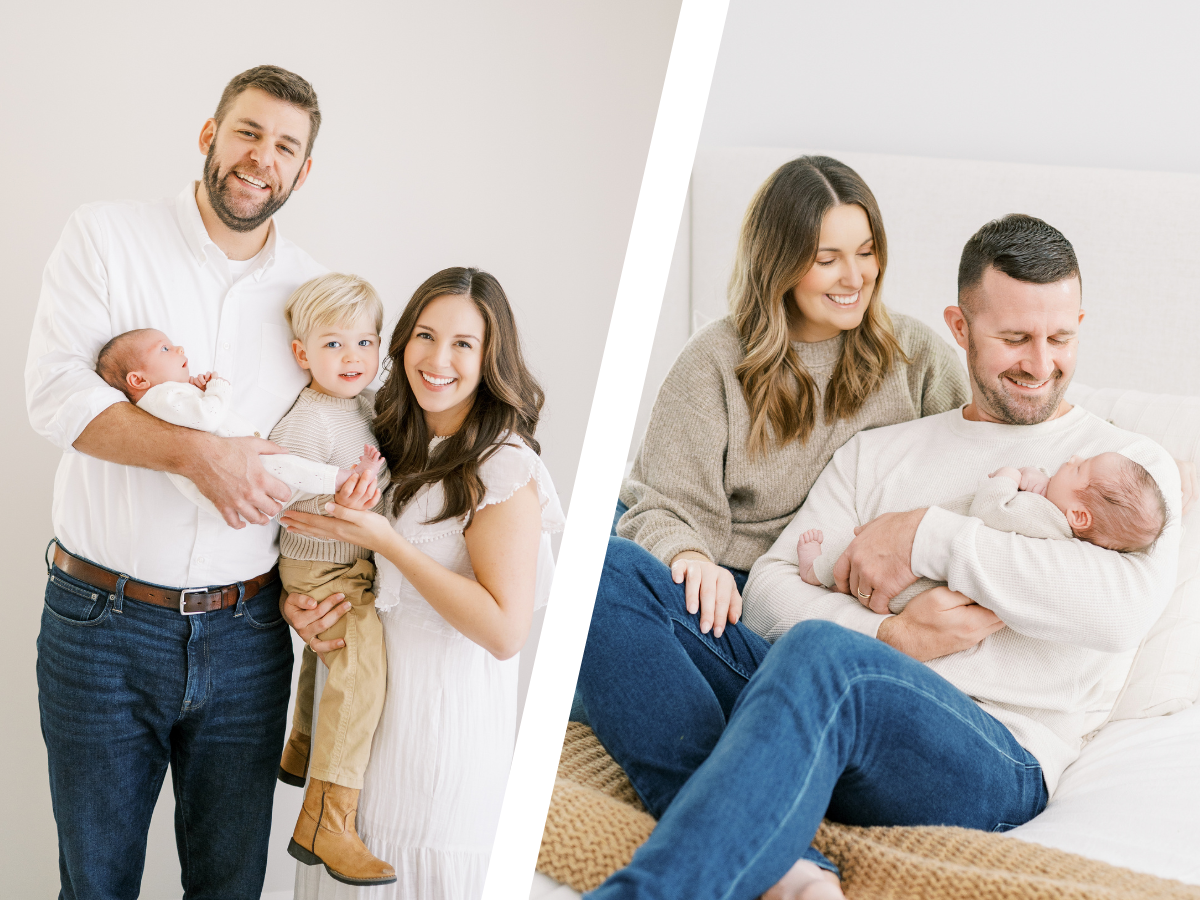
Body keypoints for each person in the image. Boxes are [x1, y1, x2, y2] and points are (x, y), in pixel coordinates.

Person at [585, 214, 1183, 900]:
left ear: (1081, 322)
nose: (1040, 364)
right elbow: (769, 592)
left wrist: (923, 534)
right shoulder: (884, 451)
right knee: (606, 570)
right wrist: (889, 635)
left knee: (824, 656)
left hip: (991, 751)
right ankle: (779, 859)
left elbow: (1118, 612)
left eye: (1061, 337)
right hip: (823, 689)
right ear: (959, 328)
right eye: (1014, 338)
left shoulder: (1127, 467)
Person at [574, 155, 969, 824]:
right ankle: (724, 813)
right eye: (828, 259)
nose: (855, 278)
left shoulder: (917, 356)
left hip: (837, 621)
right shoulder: (714, 360)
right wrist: (689, 558)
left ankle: (725, 805)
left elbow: (976, 468)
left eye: (867, 252)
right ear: (780, 262)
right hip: (725, 609)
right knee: (602, 563)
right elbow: (665, 503)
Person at [26, 65, 327, 899]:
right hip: (102, 627)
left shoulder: (312, 294)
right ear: (209, 135)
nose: (260, 158)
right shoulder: (106, 236)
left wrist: (323, 577)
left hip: (250, 635)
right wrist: (198, 457)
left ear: (302, 173)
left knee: (231, 888)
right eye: (247, 133)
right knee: (96, 886)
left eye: (284, 147)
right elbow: (54, 396)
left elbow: (310, 448)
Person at [279, 267, 565, 899]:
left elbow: (504, 629)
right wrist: (300, 602)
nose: (439, 360)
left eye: (464, 343)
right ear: (401, 342)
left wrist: (386, 543)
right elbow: (356, 575)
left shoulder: (501, 467)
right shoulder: (391, 441)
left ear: (492, 358)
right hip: (362, 747)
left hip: (440, 751)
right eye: (426, 336)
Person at [263, 273, 397, 887]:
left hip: (338, 556)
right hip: (323, 558)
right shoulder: (308, 419)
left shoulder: (357, 402)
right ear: (302, 354)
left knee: (333, 660)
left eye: (366, 343)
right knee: (359, 660)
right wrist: (343, 491)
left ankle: (302, 742)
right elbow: (285, 475)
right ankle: (327, 821)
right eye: (335, 345)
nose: (354, 359)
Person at [94, 326, 384, 516]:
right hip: (237, 467)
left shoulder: (167, 397)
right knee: (293, 469)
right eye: (165, 349)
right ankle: (350, 478)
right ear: (138, 379)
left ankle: (347, 481)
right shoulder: (161, 396)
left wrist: (197, 388)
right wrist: (218, 387)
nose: (179, 349)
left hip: (241, 466)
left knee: (295, 479)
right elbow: (208, 416)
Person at [798, 451, 1168, 599]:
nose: (1071, 459)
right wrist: (1041, 479)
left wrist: (1007, 476)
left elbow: (992, 510)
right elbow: (1040, 500)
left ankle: (817, 569)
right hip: (920, 572)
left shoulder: (1043, 520)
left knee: (854, 558)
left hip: (918, 580)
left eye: (1079, 468)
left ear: (1079, 517)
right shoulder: (1057, 521)